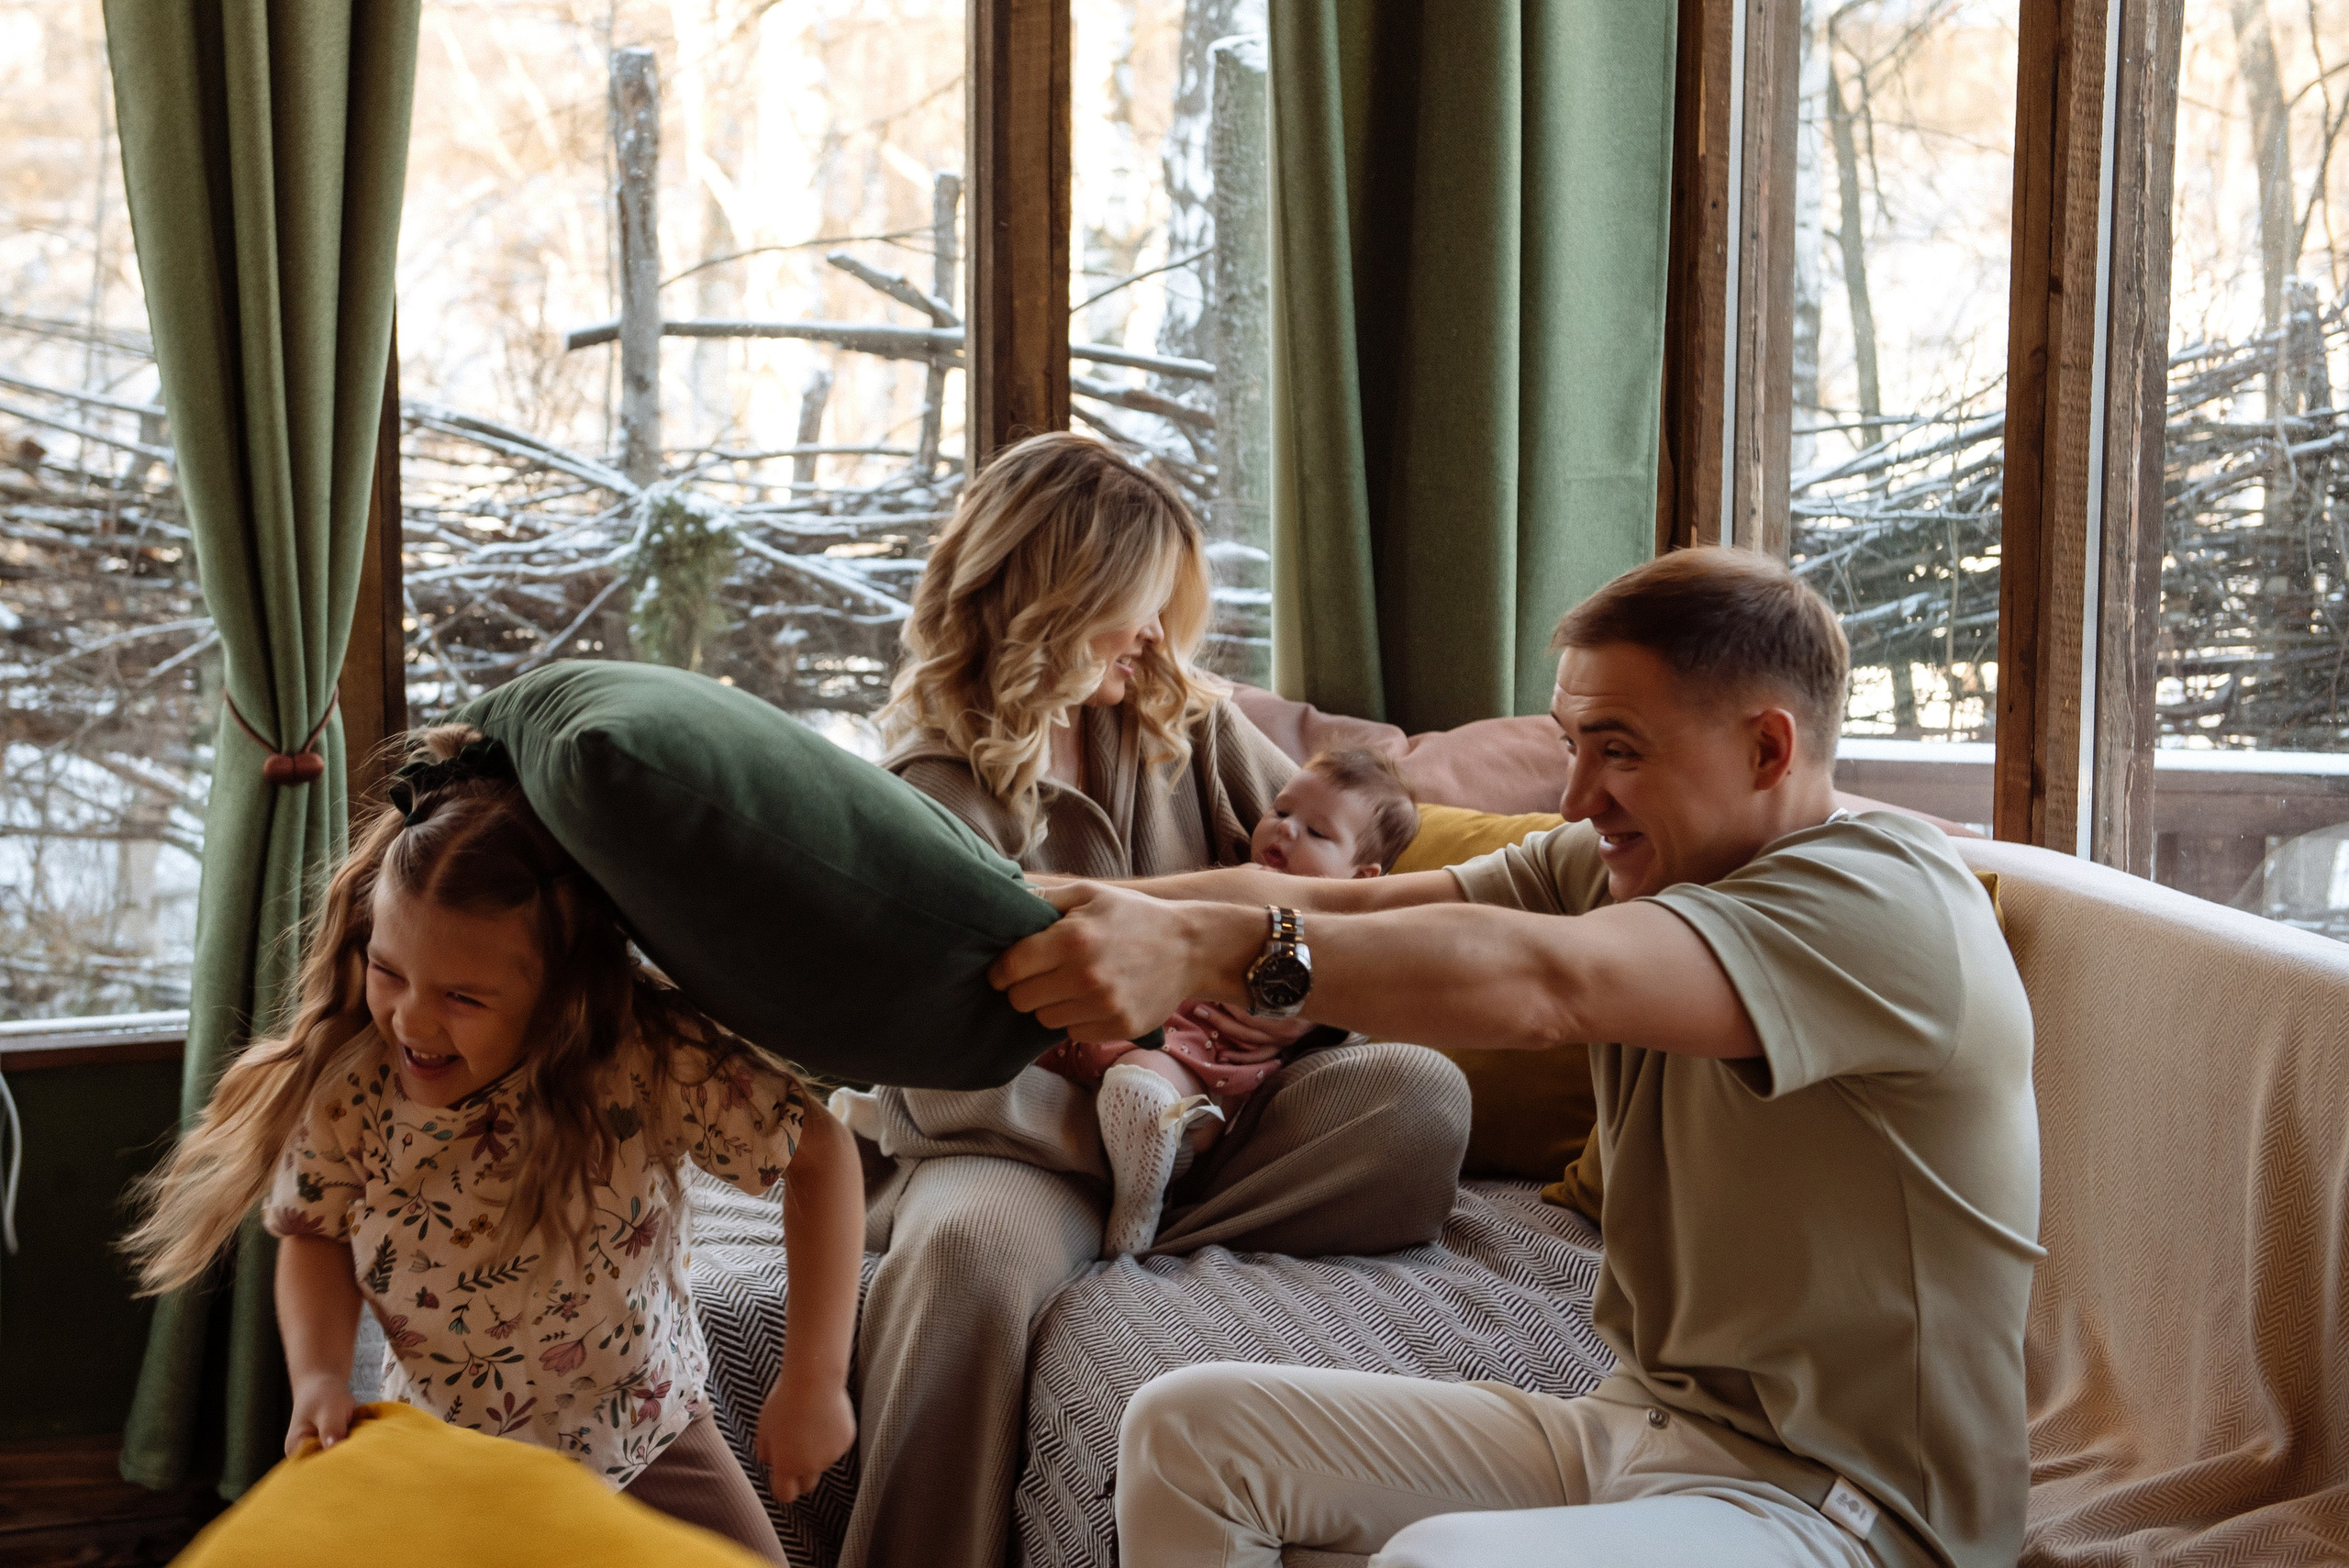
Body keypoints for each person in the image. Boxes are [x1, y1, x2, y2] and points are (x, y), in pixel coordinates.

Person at [992, 548, 2041, 1568]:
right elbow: (1338, 900)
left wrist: (1196, 954)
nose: (1577, 795)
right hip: (1645, 1429)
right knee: (1186, 1430)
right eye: (1571, 743)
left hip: (1850, 1510)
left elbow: (1547, 983)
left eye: (1619, 749)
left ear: (1767, 749)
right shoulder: (1629, 865)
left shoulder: (1879, 904)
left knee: (1440, 1559)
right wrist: (1041, 907)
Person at [835, 431, 1470, 1568]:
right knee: (973, 1250)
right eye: (1133, 606)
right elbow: (934, 1067)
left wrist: (1284, 1002)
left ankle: (1134, 1213)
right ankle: (1096, 1213)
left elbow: (1324, 896)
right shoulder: (926, 787)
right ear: (1046, 596)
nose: (1153, 636)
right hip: (1029, 1141)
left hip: (1218, 1125)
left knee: (1419, 1101)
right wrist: (1119, 1064)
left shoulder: (1187, 716)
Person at [121, 726, 866, 1565]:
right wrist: (323, 1375)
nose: (410, 1018)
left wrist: (814, 1376)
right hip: (454, 1450)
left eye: (463, 997)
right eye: (389, 969)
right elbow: (315, 1231)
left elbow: (819, 1154)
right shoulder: (354, 1086)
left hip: (646, 1430)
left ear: (562, 990)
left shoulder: (645, 1055)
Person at [1030, 746, 1421, 1255]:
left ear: (1363, 878)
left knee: (1146, 1087)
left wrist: (1309, 1007)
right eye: (1280, 812)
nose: (1284, 829)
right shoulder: (1231, 880)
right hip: (1107, 1021)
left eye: (1317, 833)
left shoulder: (1341, 934)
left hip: (1202, 1060)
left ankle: (1140, 1202)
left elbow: (1359, 1000)